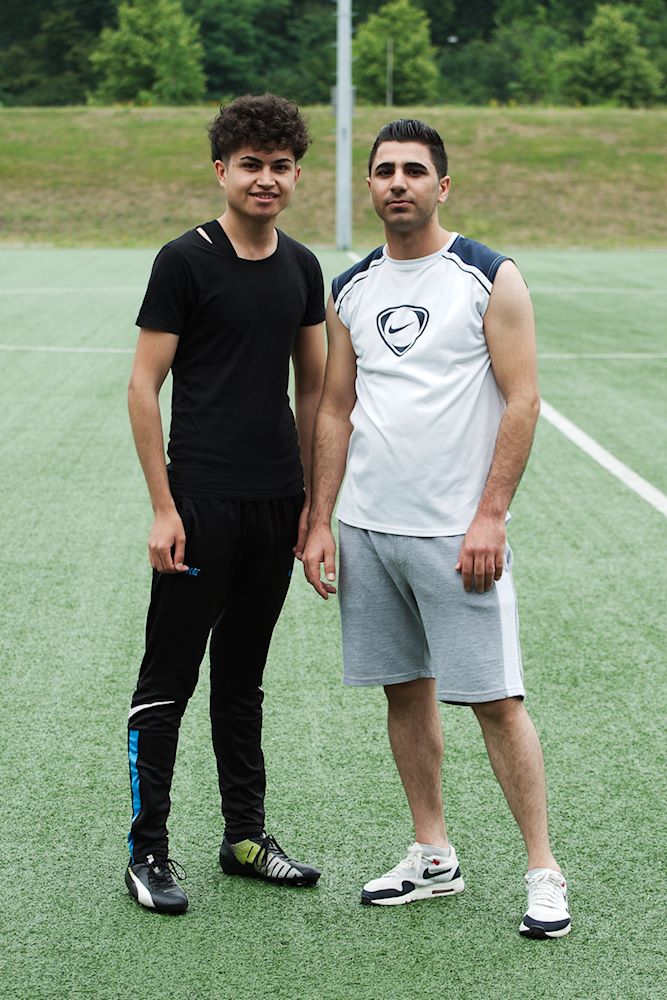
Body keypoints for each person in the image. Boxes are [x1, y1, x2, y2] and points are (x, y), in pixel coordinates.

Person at [303, 119, 571, 939]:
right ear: (369, 184)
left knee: (496, 702)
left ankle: (542, 870)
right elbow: (335, 409)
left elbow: (522, 400)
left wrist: (488, 515)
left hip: (457, 538)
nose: (397, 183)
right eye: (384, 170)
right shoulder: (350, 287)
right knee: (404, 692)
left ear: (441, 186)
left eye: (414, 171)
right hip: (367, 530)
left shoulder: (487, 276)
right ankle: (432, 853)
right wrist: (320, 520)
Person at [125, 94, 325, 915]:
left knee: (242, 680)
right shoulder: (184, 261)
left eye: (280, 166)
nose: (265, 179)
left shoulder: (302, 268)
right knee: (168, 680)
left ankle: (244, 837)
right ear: (221, 170)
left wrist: (311, 507)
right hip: (201, 504)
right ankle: (147, 851)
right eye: (250, 164)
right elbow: (143, 386)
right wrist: (163, 507)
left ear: (296, 175)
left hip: (274, 505)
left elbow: (313, 391)